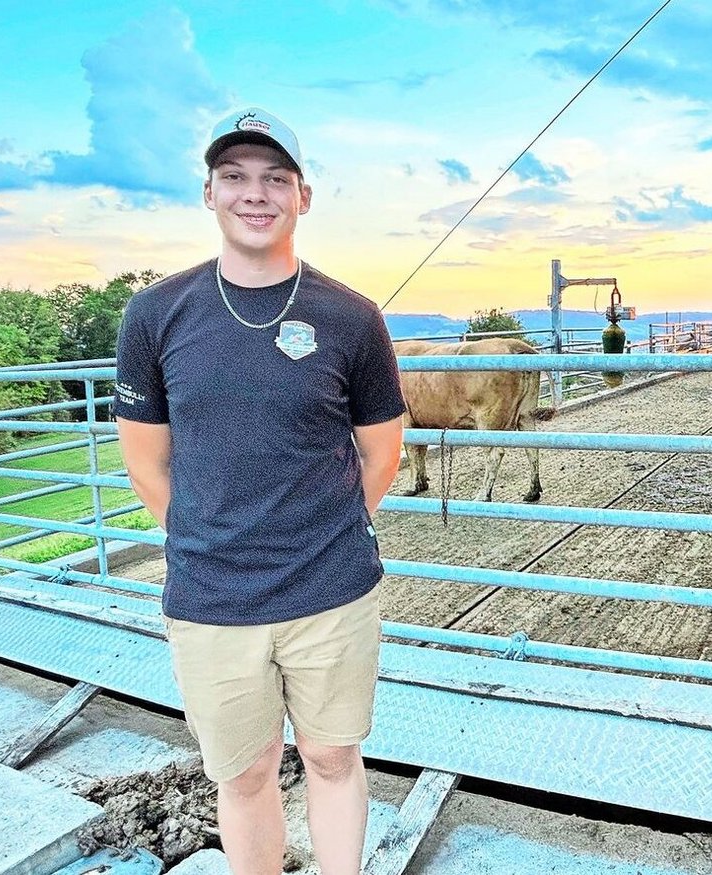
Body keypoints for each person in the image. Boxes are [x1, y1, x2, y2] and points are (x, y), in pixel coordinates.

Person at [114, 107, 405, 875]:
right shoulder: (154, 314)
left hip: (333, 592)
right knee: (242, 774)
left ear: (303, 197)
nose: (256, 193)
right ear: (208, 193)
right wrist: (213, 541)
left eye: (276, 177)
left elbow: (381, 451)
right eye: (235, 176)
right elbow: (146, 463)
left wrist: (323, 534)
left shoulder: (352, 317)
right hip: (212, 602)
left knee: (334, 756)